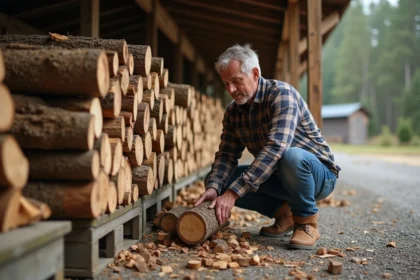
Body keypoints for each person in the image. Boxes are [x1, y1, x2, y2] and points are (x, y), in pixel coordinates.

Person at [194, 44, 341, 250]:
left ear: (255, 74)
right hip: (281, 175)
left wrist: (233, 193)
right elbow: (227, 155)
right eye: (226, 83)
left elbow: (276, 148)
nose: (231, 90)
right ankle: (285, 214)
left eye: (236, 81)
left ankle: (307, 223)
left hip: (319, 175)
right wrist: (214, 188)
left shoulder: (282, 95)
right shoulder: (233, 112)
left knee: (291, 157)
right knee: (217, 179)